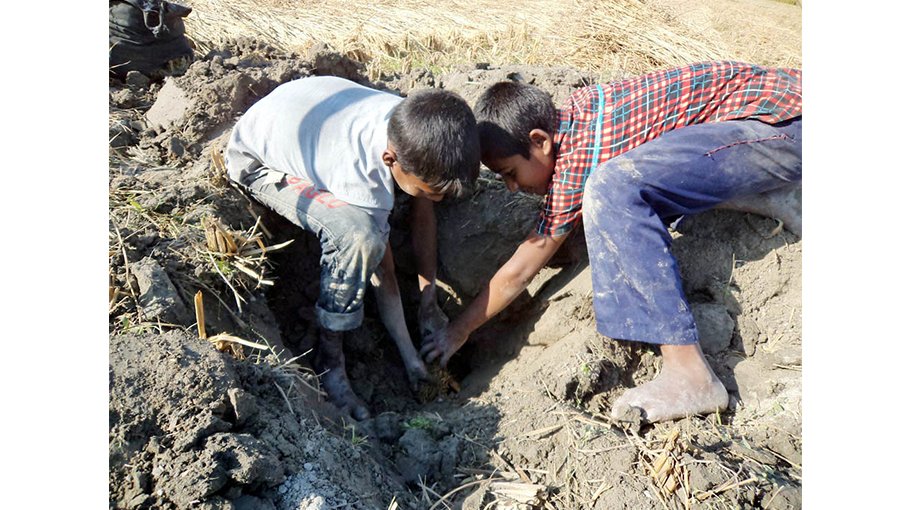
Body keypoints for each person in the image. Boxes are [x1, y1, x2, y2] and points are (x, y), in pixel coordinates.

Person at [421, 61, 801, 423]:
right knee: (647, 183)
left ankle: (690, 374)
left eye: (510, 173)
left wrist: (459, 330)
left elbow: (522, 269)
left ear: (540, 141)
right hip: (766, 122)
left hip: (784, 129)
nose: (512, 187)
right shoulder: (581, 111)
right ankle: (772, 195)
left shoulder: (578, 161)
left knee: (613, 187)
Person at [225, 76, 480, 420]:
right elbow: (384, 273)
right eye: (427, 191)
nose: (433, 199)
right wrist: (411, 360)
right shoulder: (360, 175)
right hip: (256, 159)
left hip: (297, 113)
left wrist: (428, 301)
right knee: (360, 238)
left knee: (406, 205)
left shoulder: (415, 129)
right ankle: (329, 361)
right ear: (390, 160)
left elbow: (424, 209)